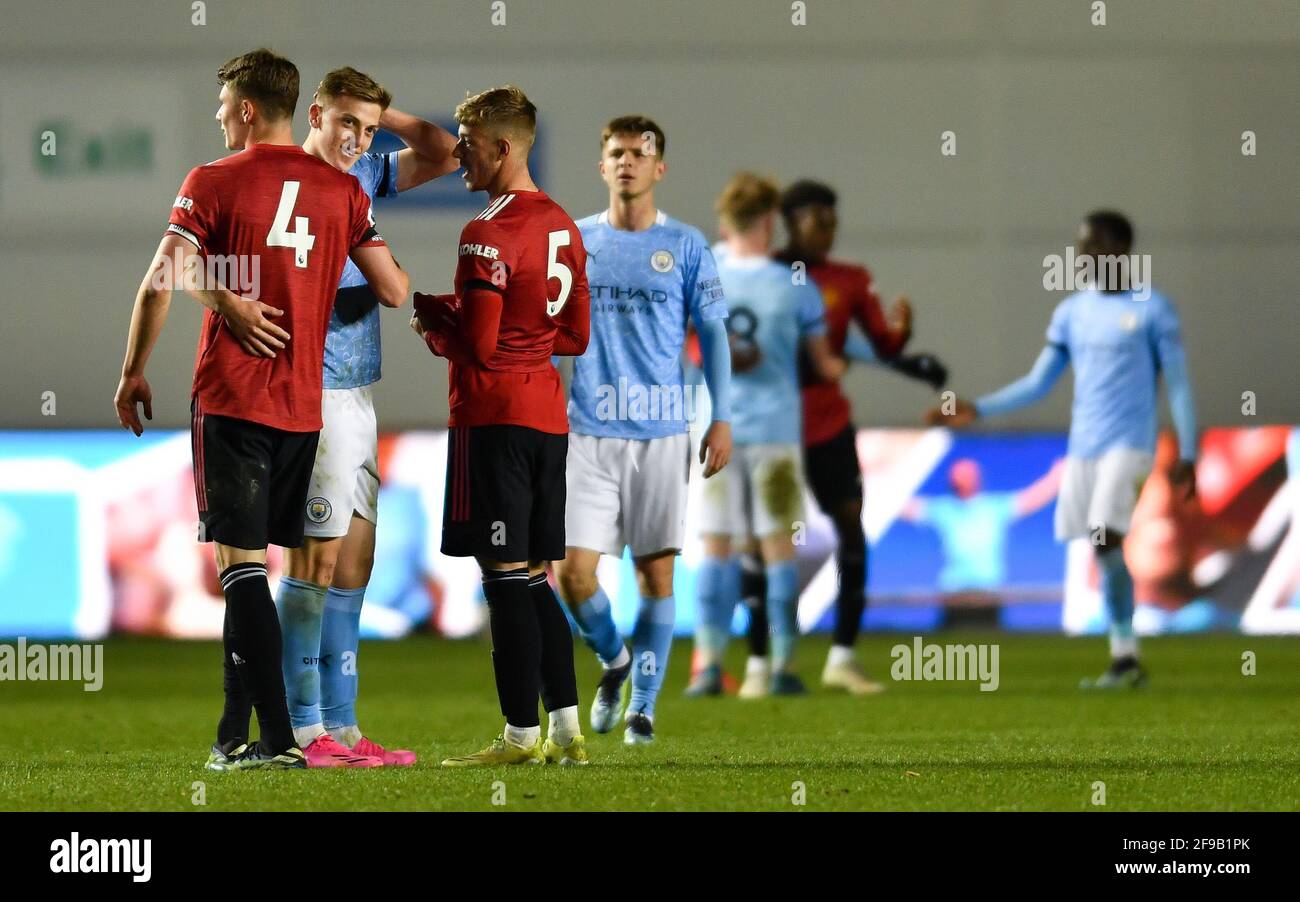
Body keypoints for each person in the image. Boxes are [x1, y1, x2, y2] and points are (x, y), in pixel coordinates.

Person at [113, 48, 408, 770]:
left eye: (223, 105)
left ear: (248, 108)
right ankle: (229, 736)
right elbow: (393, 289)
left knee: (241, 569)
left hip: (234, 395)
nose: (218, 116)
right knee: (252, 571)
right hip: (303, 406)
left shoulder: (213, 181)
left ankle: (277, 741)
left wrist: (135, 370)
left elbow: (165, 274)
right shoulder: (343, 193)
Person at [273, 66, 458, 768]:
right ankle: (302, 727)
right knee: (315, 558)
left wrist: (386, 115)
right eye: (345, 122)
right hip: (310, 387)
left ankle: (344, 728)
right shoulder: (287, 181)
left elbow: (445, 153)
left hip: (356, 389)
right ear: (314, 114)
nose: (356, 138)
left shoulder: (364, 177)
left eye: (368, 129)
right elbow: (387, 288)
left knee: (356, 561)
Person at [927, 210, 1196, 688]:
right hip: (1084, 448)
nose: (1084, 256)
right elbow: (1037, 382)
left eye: (1093, 245)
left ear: (1121, 248)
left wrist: (1189, 451)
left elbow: (1177, 384)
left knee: (1104, 536)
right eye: (1080, 247)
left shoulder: (1154, 308)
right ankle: (1123, 656)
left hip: (1129, 446)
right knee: (1101, 550)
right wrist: (979, 408)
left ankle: (1126, 658)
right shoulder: (1072, 312)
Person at [409, 85, 592, 765]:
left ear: (504, 147)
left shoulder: (486, 233)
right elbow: (573, 335)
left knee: (503, 577)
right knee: (537, 576)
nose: (458, 151)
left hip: (494, 420)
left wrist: (436, 326)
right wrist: (513, 336)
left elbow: (481, 349)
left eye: (467, 140)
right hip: (548, 417)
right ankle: (568, 731)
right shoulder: (564, 225)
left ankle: (519, 736)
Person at [552, 115, 732, 745]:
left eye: (640, 154)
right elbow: (551, 336)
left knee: (657, 579)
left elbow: (714, 336)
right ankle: (615, 660)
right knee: (572, 575)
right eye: (617, 153)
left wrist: (723, 417)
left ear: (660, 168)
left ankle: (644, 708)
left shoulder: (685, 247)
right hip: (587, 433)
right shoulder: (573, 240)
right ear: (602, 167)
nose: (627, 162)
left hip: (662, 434)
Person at [689, 173, 845, 699]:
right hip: (777, 432)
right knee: (779, 549)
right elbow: (826, 367)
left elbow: (682, 342)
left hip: (714, 431)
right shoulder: (795, 286)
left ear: (724, 221)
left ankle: (709, 666)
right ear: (770, 223)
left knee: (716, 548)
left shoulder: (703, 271)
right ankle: (782, 666)